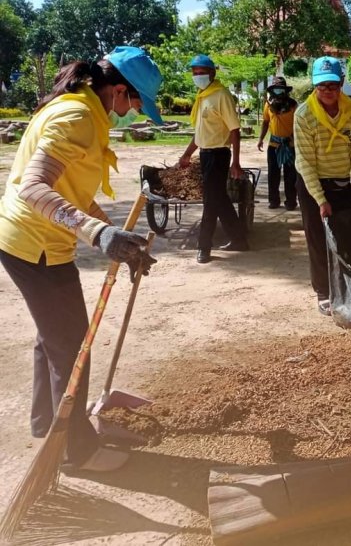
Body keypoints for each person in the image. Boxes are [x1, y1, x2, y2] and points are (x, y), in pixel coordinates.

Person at [0, 46, 161, 472]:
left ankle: (45, 423)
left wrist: (115, 235)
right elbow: (32, 188)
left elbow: (74, 188)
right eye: (136, 103)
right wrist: (98, 233)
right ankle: (76, 451)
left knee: (53, 338)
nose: (133, 113)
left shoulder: (83, 110)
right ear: (120, 91)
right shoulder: (78, 117)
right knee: (73, 348)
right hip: (34, 244)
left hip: (30, 241)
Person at [294, 56, 351, 315]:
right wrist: (320, 199)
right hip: (312, 184)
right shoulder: (304, 115)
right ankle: (323, 291)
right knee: (317, 240)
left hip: (342, 184)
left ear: (342, 84)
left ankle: (343, 286)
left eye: (333, 85)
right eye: (322, 86)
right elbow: (304, 162)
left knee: (344, 238)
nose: (327, 91)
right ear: (315, 86)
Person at [178, 54, 247, 264]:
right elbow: (200, 133)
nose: (198, 76)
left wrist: (236, 162)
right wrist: (187, 154)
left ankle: (204, 247)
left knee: (210, 202)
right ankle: (239, 240)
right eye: (195, 73)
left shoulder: (221, 95)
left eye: (202, 72)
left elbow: (235, 130)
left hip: (219, 154)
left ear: (212, 73)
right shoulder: (202, 96)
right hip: (205, 154)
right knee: (220, 200)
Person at [257, 76, 298, 210]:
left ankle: (291, 202)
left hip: (290, 145)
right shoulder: (268, 105)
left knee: (290, 175)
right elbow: (265, 122)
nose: (279, 92)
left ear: (285, 90)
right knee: (273, 175)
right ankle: (274, 201)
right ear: (272, 90)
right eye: (276, 89)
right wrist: (260, 139)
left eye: (281, 89)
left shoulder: (293, 105)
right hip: (274, 145)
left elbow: (298, 125)